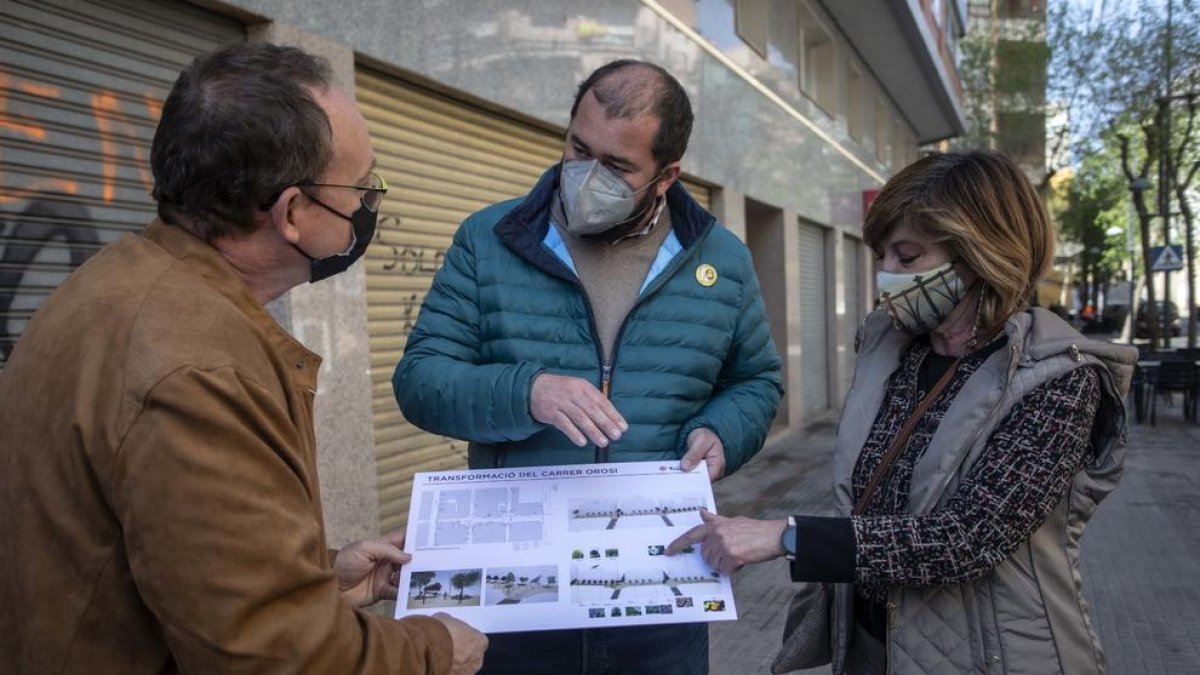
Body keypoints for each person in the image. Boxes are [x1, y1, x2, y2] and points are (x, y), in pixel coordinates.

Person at [0, 43, 486, 675]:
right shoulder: (201, 369)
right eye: (364, 186)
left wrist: (315, 579)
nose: (372, 203)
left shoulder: (111, 283)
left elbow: (170, 554)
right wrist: (436, 648)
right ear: (292, 212)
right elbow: (277, 658)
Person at [668, 151, 1136, 675]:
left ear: (982, 255)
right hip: (873, 643)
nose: (886, 275)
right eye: (882, 255)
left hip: (993, 653)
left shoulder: (1059, 376)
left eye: (908, 258)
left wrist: (785, 534)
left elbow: (968, 538)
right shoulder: (890, 348)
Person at [394, 60, 783, 674]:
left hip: (658, 588)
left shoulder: (722, 260)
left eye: (618, 167)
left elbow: (755, 379)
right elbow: (420, 381)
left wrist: (724, 431)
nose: (586, 176)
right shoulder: (488, 238)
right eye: (579, 148)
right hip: (515, 590)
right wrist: (527, 392)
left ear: (667, 175)